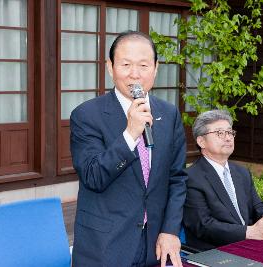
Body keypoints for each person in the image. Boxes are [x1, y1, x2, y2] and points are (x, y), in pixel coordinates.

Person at [70, 31, 187, 267]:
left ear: (155, 68)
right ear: (110, 67)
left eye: (143, 65)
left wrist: (170, 230)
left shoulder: (169, 113)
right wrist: (130, 134)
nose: (135, 73)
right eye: (125, 64)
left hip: (155, 244)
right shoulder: (86, 115)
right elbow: (94, 176)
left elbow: (177, 178)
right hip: (105, 247)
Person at [183, 109, 263, 251]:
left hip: (251, 244)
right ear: (201, 141)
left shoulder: (241, 172)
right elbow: (203, 225)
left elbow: (258, 206)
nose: (228, 138)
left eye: (230, 132)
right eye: (220, 133)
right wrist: (249, 232)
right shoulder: (191, 177)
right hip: (215, 252)